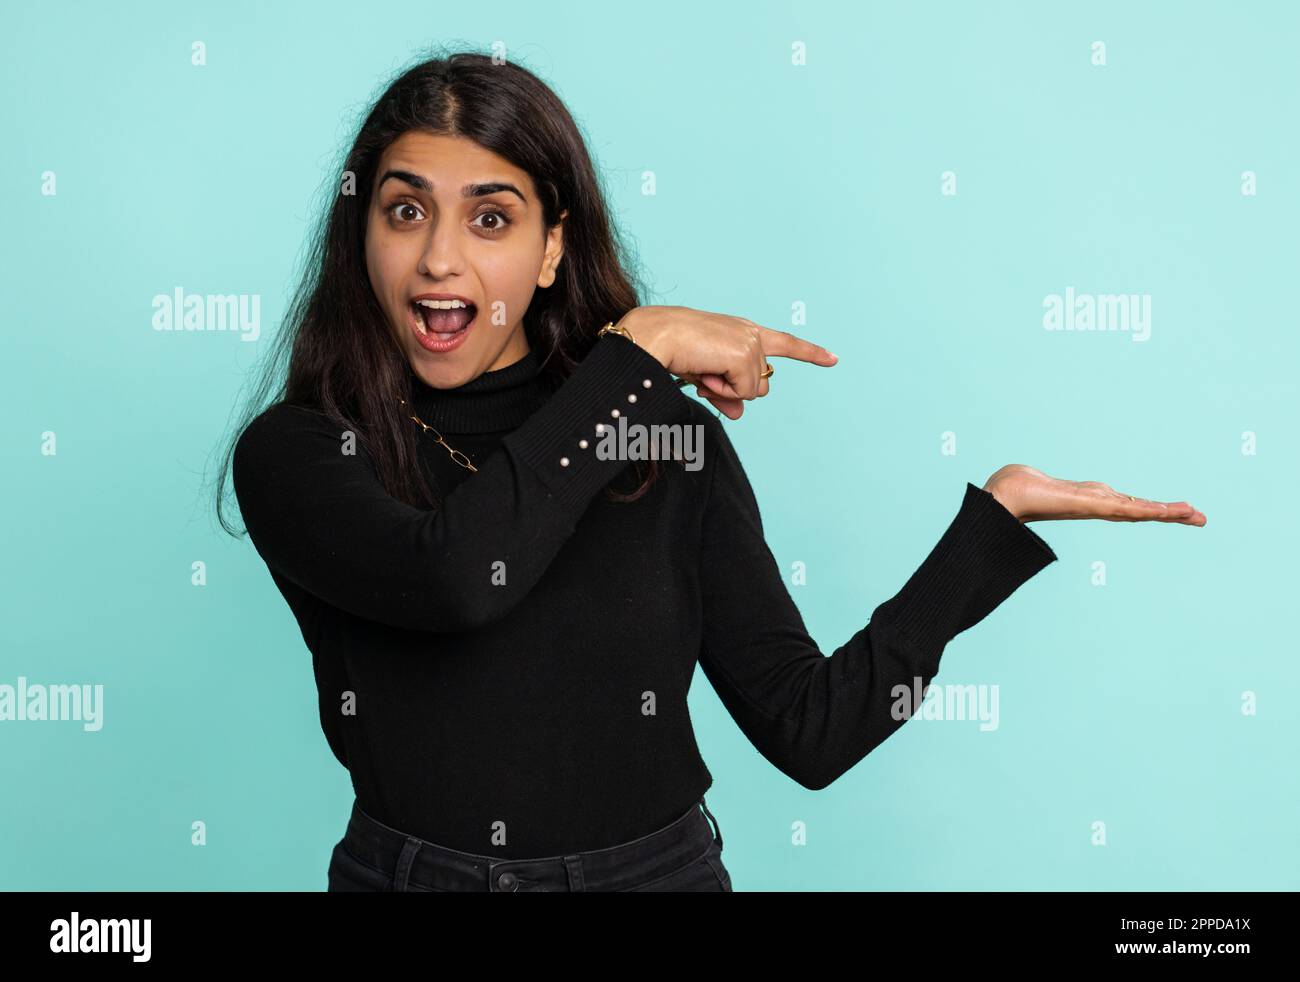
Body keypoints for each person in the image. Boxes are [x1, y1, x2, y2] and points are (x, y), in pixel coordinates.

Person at [214, 50, 1206, 893]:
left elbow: (808, 731)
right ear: (364, 237)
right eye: (403, 211)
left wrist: (985, 533)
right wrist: (633, 353)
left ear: (553, 248)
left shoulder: (664, 443)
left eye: (489, 218)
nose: (438, 260)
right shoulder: (304, 450)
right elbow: (463, 577)